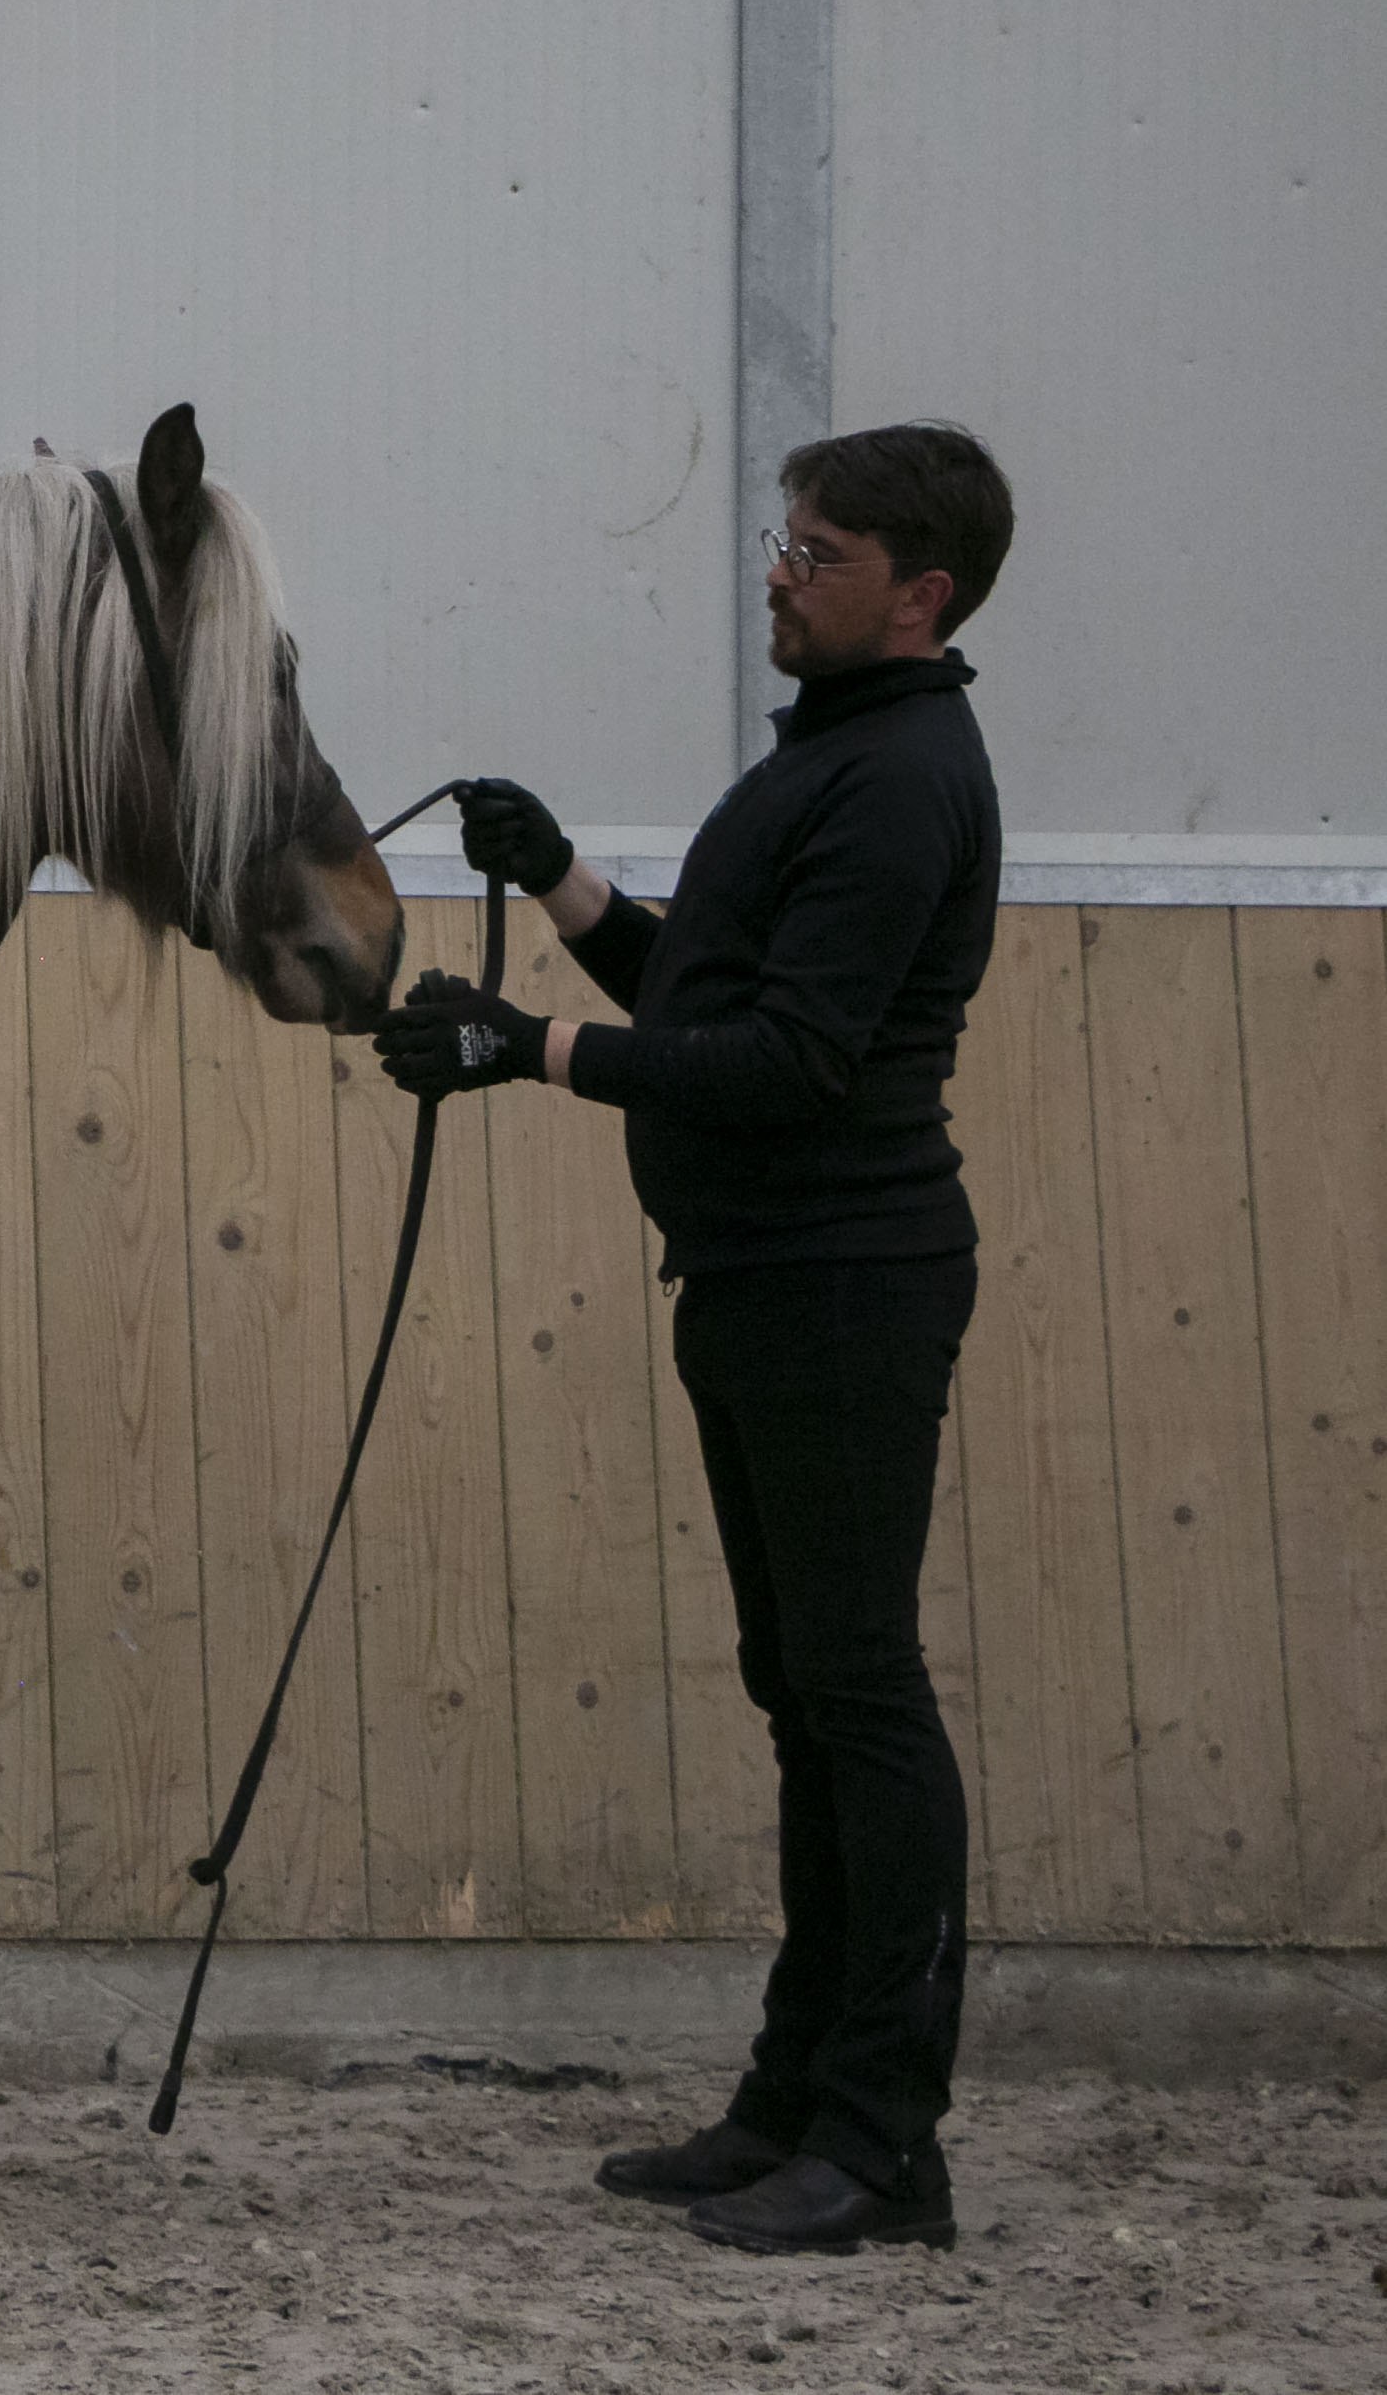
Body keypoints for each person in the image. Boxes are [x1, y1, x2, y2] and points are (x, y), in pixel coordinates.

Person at [375, 423, 1012, 2255]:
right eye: (781, 540)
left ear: (920, 595)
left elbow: (788, 1069)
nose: (773, 573)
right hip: (765, 1283)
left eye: (814, 554)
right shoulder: (830, 763)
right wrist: (567, 884)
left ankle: (884, 2142)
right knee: (806, 1692)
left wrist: (523, 1048)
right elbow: (698, 999)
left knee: (857, 1692)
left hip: (841, 1277)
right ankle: (799, 2100)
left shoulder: (895, 781)